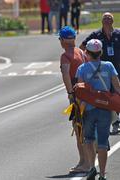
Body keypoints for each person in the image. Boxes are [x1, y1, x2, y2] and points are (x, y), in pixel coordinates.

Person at [76, 39, 120, 180]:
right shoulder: (109, 66)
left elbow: (79, 91)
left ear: (87, 53)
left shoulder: (82, 69)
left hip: (88, 109)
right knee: (102, 142)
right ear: (100, 52)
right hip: (105, 109)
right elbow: (117, 86)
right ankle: (102, 174)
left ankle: (91, 168)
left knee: (88, 139)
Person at [80, 12, 120, 135]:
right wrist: (88, 63)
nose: (107, 19)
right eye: (105, 18)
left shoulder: (118, 34)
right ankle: (115, 123)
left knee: (117, 94)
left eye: (109, 18)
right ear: (102, 21)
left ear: (113, 21)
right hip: (103, 70)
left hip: (118, 68)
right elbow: (82, 47)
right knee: (109, 95)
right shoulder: (96, 35)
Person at [59, 26, 89, 173]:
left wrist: (70, 93)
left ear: (63, 40)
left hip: (77, 95)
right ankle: (85, 161)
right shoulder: (81, 53)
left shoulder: (65, 56)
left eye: (60, 39)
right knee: (85, 127)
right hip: (87, 94)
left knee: (78, 129)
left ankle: (85, 162)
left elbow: (65, 74)